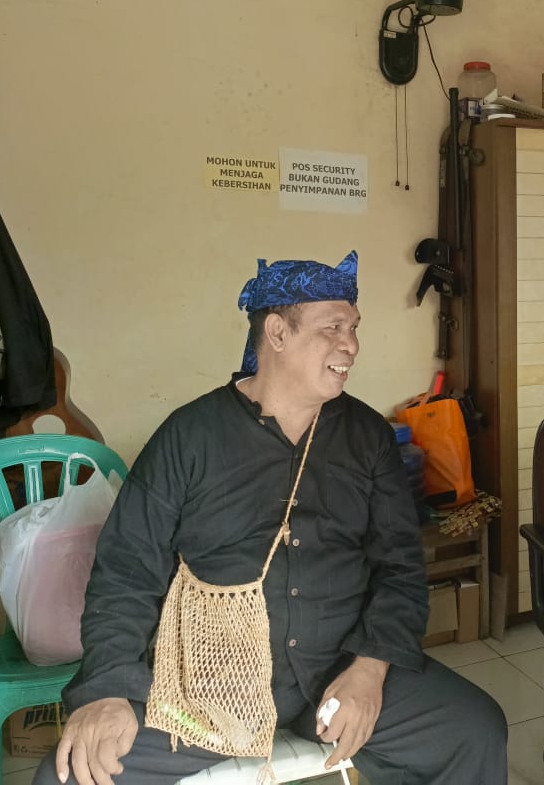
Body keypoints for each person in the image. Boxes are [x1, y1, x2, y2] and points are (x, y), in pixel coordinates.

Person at [34, 251, 507, 785]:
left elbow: (400, 566)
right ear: (278, 332)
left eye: (353, 327)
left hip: (336, 678)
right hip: (200, 701)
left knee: (474, 729)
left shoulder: (367, 437)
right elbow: (127, 570)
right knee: (70, 775)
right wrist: (107, 688)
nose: (351, 344)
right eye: (332, 327)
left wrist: (369, 670)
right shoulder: (190, 437)